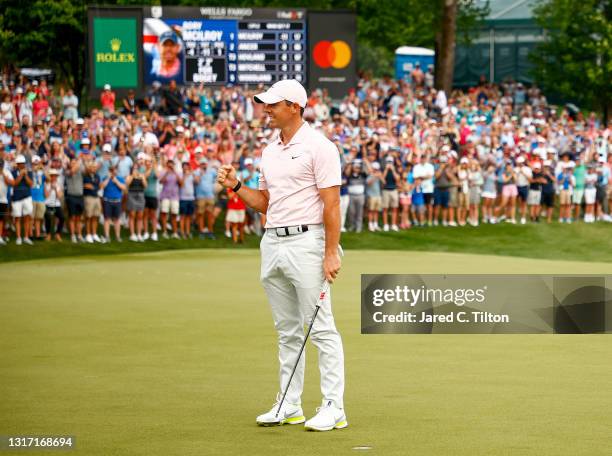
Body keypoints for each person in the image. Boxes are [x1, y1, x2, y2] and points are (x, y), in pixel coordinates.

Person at [217, 79, 346, 431]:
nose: (266, 109)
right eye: (265, 103)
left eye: (273, 104)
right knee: (287, 331)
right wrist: (237, 186)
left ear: (294, 106)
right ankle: (289, 405)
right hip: (272, 241)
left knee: (320, 329)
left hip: (308, 242)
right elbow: (265, 203)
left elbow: (331, 204)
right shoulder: (269, 149)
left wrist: (331, 252)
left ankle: (334, 407)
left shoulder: (320, 147)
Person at [11, 154, 34, 245]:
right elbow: (14, 183)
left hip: (27, 196)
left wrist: (25, 176)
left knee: (27, 217)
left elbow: (31, 183)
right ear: (17, 164)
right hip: (17, 197)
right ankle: (19, 237)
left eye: (23, 163)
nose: (21, 165)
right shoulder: (13, 172)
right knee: (17, 218)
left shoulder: (29, 172)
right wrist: (20, 176)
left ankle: (26, 237)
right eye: (20, 163)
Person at [100, 165, 126, 242]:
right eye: (112, 170)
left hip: (117, 201)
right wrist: (108, 178)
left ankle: (117, 236)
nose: (113, 172)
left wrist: (116, 181)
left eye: (115, 170)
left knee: (117, 219)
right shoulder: (105, 178)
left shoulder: (120, 178)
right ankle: (107, 236)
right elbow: (101, 186)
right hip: (107, 200)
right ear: (109, 171)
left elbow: (124, 188)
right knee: (107, 219)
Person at [194, 157, 217, 239]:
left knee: (210, 214)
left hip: (210, 196)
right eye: (202, 164)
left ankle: (210, 231)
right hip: (201, 196)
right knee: (201, 214)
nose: (204, 165)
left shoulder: (212, 171)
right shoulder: (197, 171)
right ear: (200, 164)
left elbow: (218, 177)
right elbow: (196, 181)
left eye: (205, 163)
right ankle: (201, 231)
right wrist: (201, 173)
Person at [64, 156, 85, 242]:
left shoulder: (80, 171)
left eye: (74, 162)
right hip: (71, 196)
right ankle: (73, 235)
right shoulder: (67, 171)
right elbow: (72, 171)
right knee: (72, 217)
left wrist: (80, 161)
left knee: (79, 217)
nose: (74, 164)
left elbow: (86, 170)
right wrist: (79, 161)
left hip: (80, 196)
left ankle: (79, 235)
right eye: (72, 163)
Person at [126, 162, 147, 241]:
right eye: (134, 168)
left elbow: (145, 186)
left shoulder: (141, 176)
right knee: (132, 215)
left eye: (137, 168)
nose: (136, 170)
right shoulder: (129, 176)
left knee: (140, 215)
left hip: (140, 195)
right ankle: (132, 234)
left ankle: (139, 234)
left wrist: (142, 178)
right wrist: (132, 176)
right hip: (132, 194)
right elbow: (127, 184)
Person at [83, 161, 102, 243]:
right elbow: (86, 185)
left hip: (96, 197)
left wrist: (93, 187)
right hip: (88, 197)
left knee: (95, 216)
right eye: (92, 167)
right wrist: (93, 187)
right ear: (89, 168)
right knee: (88, 217)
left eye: (95, 167)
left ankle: (94, 234)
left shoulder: (97, 176)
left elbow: (98, 186)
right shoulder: (85, 176)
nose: (94, 168)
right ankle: (88, 234)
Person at [43, 169, 64, 241]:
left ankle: (58, 234)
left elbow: (59, 196)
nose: (53, 177)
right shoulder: (46, 184)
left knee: (62, 217)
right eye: (52, 176)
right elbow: (46, 195)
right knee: (48, 218)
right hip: (48, 204)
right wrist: (51, 188)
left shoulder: (58, 185)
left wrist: (55, 189)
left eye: (55, 176)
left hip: (57, 204)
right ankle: (48, 234)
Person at [142, 155, 159, 241]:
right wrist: (150, 168)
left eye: (150, 162)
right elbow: (145, 176)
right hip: (144, 195)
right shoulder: (143, 170)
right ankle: (146, 232)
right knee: (145, 215)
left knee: (153, 216)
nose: (149, 163)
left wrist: (154, 164)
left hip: (153, 195)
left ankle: (154, 233)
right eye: (147, 162)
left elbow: (157, 175)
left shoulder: (154, 170)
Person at [30, 155, 46, 239]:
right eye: (34, 163)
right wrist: (35, 169)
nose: (36, 164)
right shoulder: (29, 171)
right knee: (31, 217)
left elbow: (49, 178)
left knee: (38, 218)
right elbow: (31, 171)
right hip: (32, 196)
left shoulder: (42, 172)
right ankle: (30, 234)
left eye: (37, 162)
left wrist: (43, 168)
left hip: (40, 197)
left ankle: (38, 234)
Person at [178, 161, 195, 239]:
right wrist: (185, 175)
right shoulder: (180, 175)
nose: (186, 168)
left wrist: (192, 173)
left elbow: (197, 181)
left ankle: (187, 232)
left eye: (187, 166)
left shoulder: (191, 175)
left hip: (191, 198)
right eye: (184, 166)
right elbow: (181, 184)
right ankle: (182, 232)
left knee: (188, 216)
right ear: (182, 167)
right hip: (183, 198)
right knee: (182, 216)